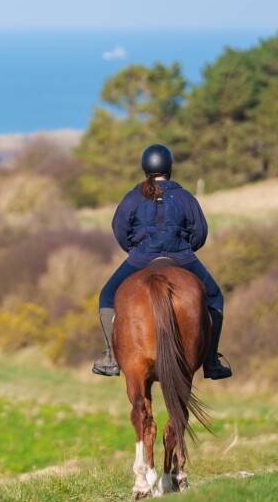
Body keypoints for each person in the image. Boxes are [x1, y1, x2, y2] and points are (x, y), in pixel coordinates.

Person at [92, 144, 233, 380]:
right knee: (215, 296)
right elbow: (200, 232)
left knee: (106, 296)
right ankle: (211, 361)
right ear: (169, 167)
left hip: (141, 259)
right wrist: (186, 248)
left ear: (145, 167)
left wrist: (135, 251)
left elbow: (119, 228)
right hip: (182, 257)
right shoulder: (185, 196)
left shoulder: (133, 196)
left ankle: (111, 357)